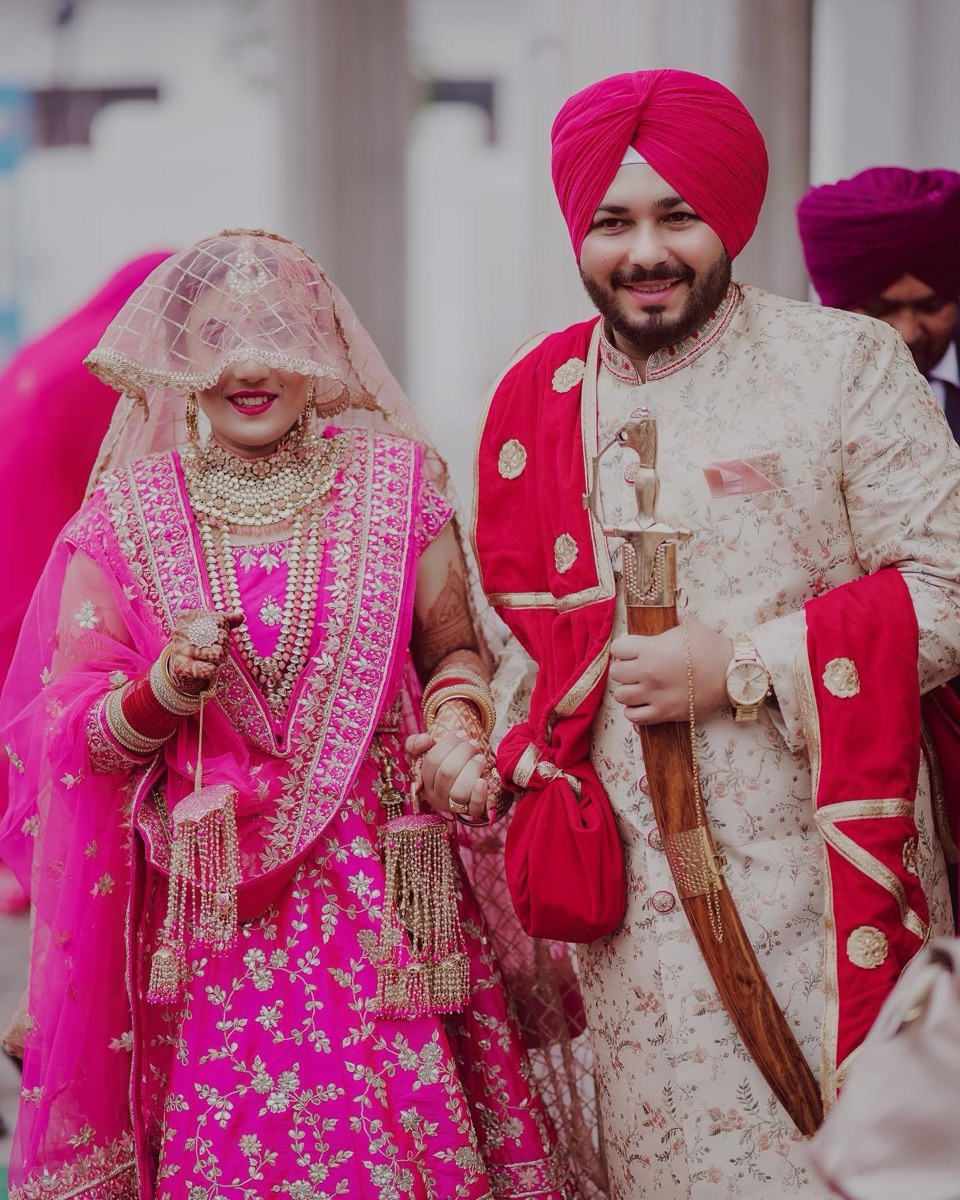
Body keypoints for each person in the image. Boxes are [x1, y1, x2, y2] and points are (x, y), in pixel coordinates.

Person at [0, 230, 581, 1199]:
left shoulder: (398, 492)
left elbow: (453, 655)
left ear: (327, 347)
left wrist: (459, 734)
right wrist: (165, 692)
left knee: (398, 1156)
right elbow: (71, 729)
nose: (252, 364)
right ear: (180, 357)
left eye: (279, 333)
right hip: (211, 916)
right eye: (220, 336)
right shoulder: (124, 520)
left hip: (384, 901)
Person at [472, 69, 960, 1199]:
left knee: (838, 1167)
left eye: (677, 216)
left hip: (823, 882)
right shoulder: (530, 397)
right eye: (613, 222)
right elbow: (517, 648)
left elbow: (947, 584)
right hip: (620, 929)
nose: (646, 252)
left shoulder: (842, 366)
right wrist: (490, 743)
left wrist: (740, 667)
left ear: (730, 218)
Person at [0, 251, 172, 923]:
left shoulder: (53, 350)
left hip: (17, 546)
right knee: (56, 698)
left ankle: (24, 853)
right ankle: (39, 856)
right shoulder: (112, 367)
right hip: (42, 550)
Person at [797, 167, 960, 436]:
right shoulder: (789, 386)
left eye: (931, 307)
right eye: (880, 309)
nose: (908, 333)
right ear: (837, 304)